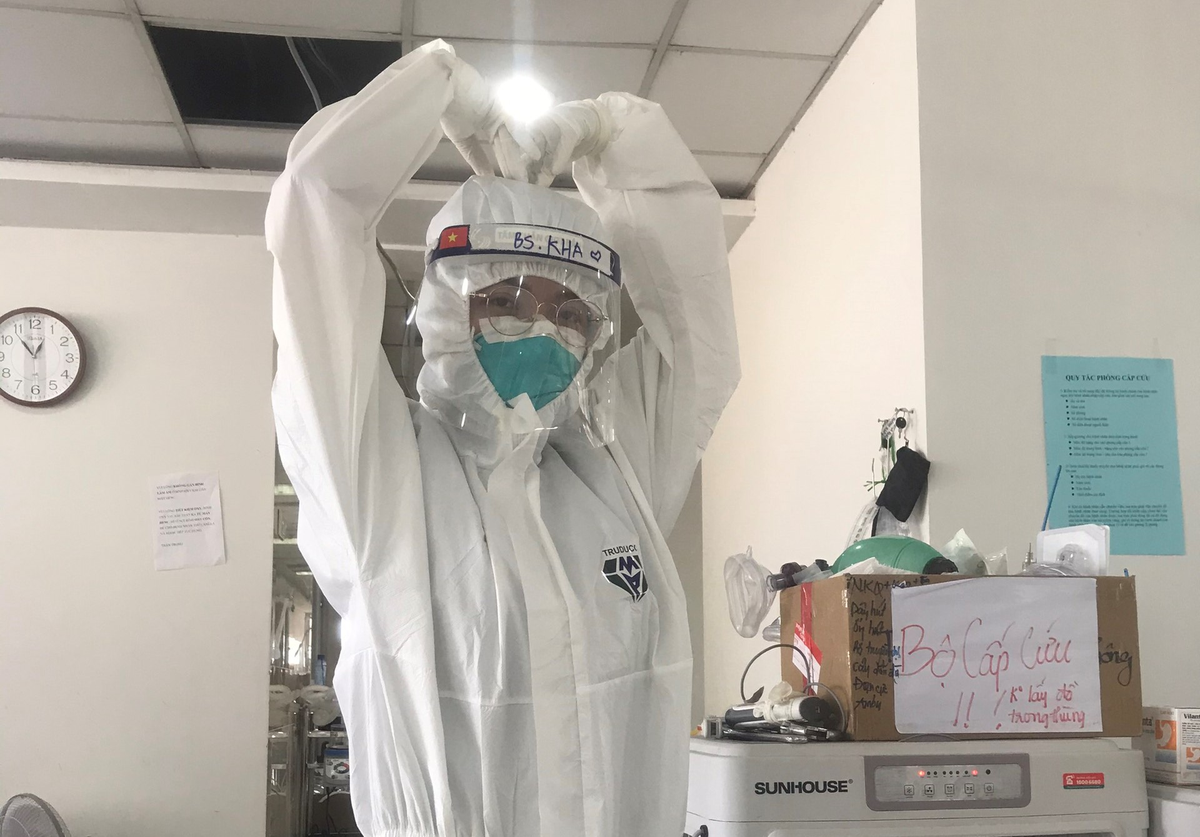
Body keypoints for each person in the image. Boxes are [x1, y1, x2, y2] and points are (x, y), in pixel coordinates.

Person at [268, 39, 739, 837]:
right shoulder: (383, 479)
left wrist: (607, 133)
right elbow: (316, 207)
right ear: (449, 307)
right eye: (509, 300)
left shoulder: (614, 472)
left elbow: (702, 340)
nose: (545, 330)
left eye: (570, 311)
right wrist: (441, 89)